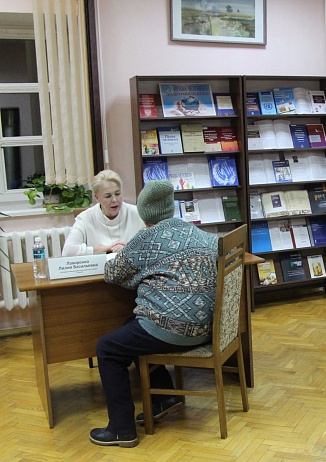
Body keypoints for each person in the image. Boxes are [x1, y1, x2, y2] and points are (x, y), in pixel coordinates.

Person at [89, 180, 219, 448]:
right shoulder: (197, 232)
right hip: (206, 327)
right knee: (133, 326)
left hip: (172, 329)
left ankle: (121, 430)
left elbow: (112, 274)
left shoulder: (145, 239)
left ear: (144, 211)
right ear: (170, 206)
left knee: (107, 348)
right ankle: (165, 398)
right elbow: (218, 251)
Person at [62, 170, 145, 256]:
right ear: (97, 197)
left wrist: (129, 247)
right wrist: (106, 249)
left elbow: (152, 245)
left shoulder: (137, 213)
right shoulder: (85, 218)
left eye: (117, 194)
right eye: (108, 196)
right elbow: (68, 251)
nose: (114, 200)